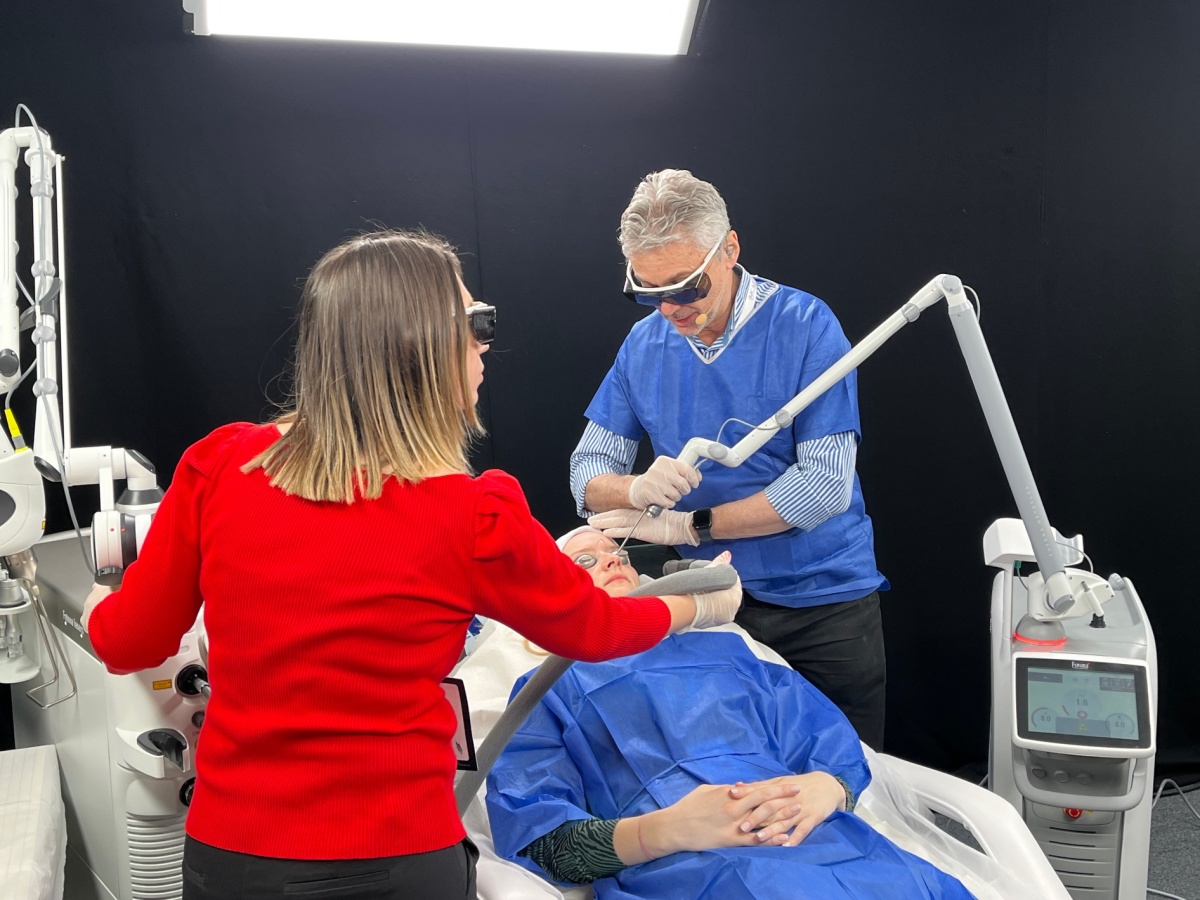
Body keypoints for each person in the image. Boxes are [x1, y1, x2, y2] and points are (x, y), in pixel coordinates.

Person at [79, 230, 742, 900]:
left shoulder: (220, 467)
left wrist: (101, 603)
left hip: (236, 860)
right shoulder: (474, 515)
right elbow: (596, 628)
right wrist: (699, 605)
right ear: (419, 346)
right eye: (477, 323)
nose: (486, 344)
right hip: (399, 861)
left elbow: (128, 642)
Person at [570, 168, 888, 749]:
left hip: (819, 603)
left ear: (730, 249)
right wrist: (633, 489)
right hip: (704, 605)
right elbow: (585, 473)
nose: (670, 309)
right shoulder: (644, 344)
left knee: (845, 770)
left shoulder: (804, 326)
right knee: (730, 770)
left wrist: (690, 526)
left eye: (687, 287)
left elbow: (822, 487)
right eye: (649, 291)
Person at [484, 527, 971, 899]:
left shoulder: (731, 654)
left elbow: (829, 744)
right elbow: (544, 842)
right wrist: (667, 830)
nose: (614, 558)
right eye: (586, 559)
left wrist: (831, 787)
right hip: (684, 867)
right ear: (550, 593)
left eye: (619, 552)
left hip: (820, 838)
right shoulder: (547, 689)